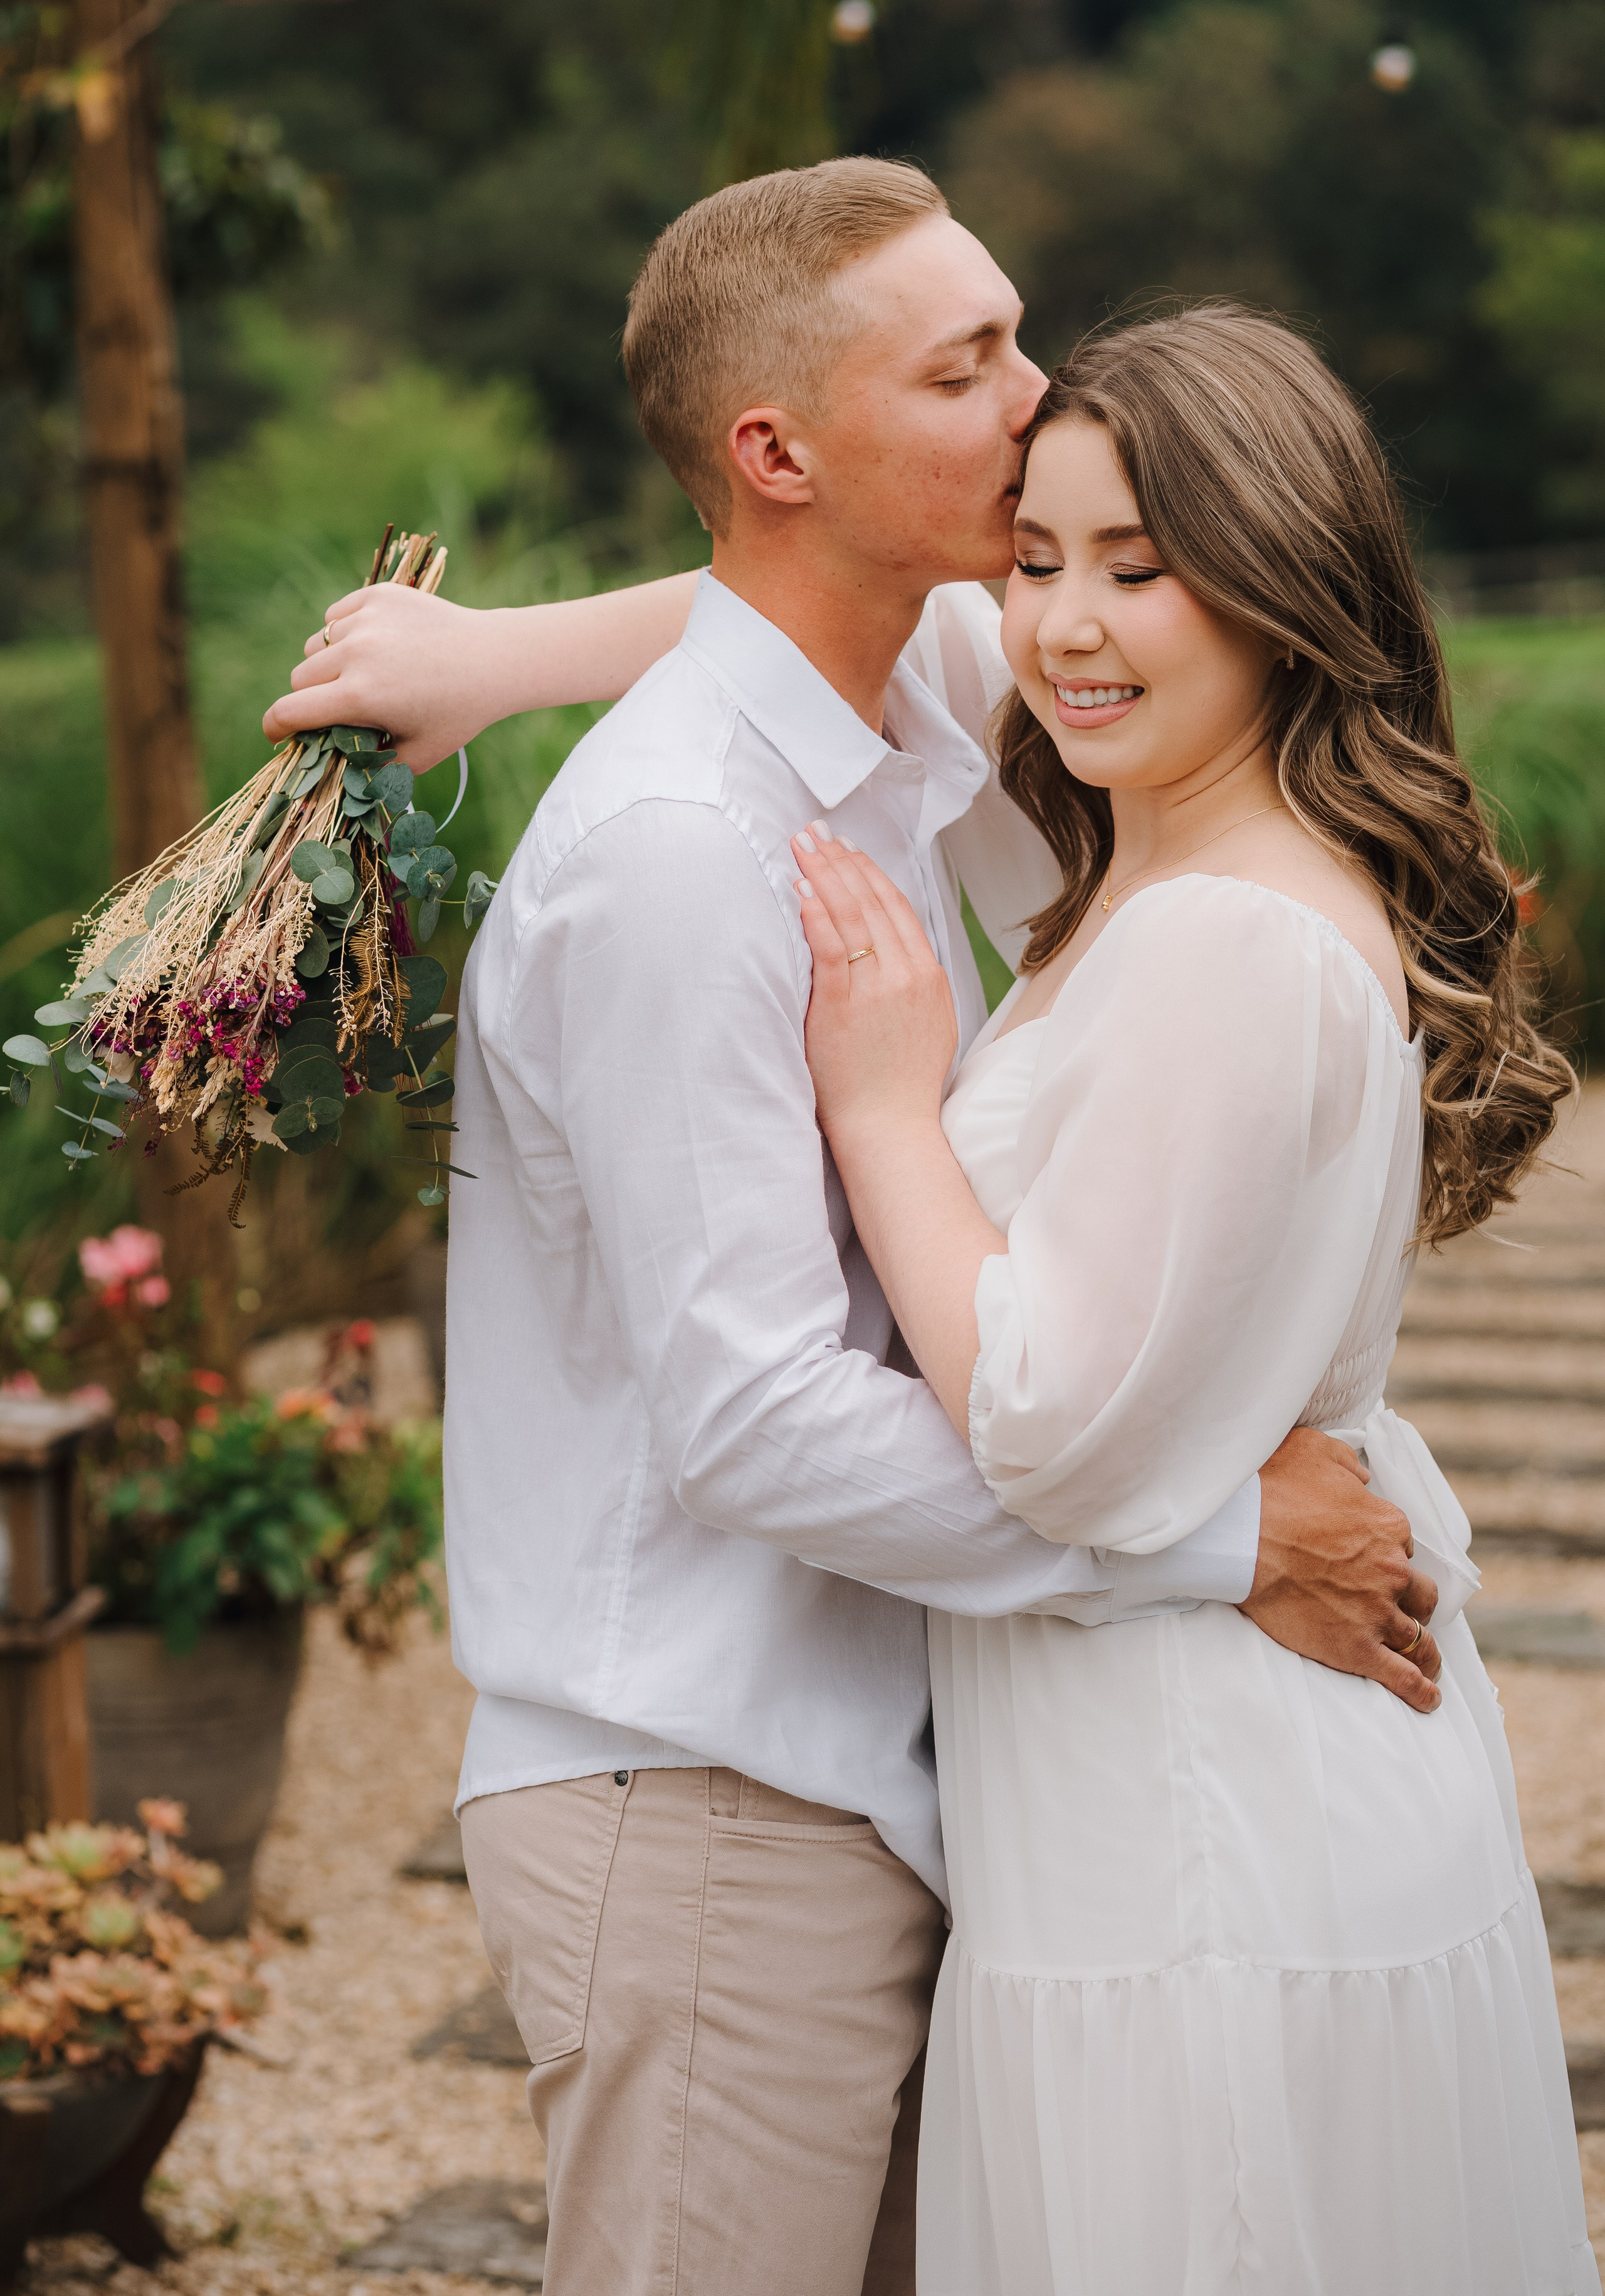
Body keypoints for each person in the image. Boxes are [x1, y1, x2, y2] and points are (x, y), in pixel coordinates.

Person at [265, 163, 1448, 2296]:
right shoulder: (680, 857)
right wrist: (1225, 1540)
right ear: (782, 450)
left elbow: (781, 610)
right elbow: (752, 1422)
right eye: (967, 362)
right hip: (708, 1797)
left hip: (903, 1774)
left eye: (1019, 332)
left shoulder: (921, 723)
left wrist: (495, 654)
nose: (1036, 395)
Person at [783, 305, 1591, 2292]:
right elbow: (827, 632)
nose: (1066, 623)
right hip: (1180, 1789)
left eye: (1142, 569)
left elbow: (1047, 1417)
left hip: (1208, 1830)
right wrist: (481, 668)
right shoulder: (1166, 863)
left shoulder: (1229, 934)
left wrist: (888, 1116)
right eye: (1038, 556)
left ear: (1285, 583)